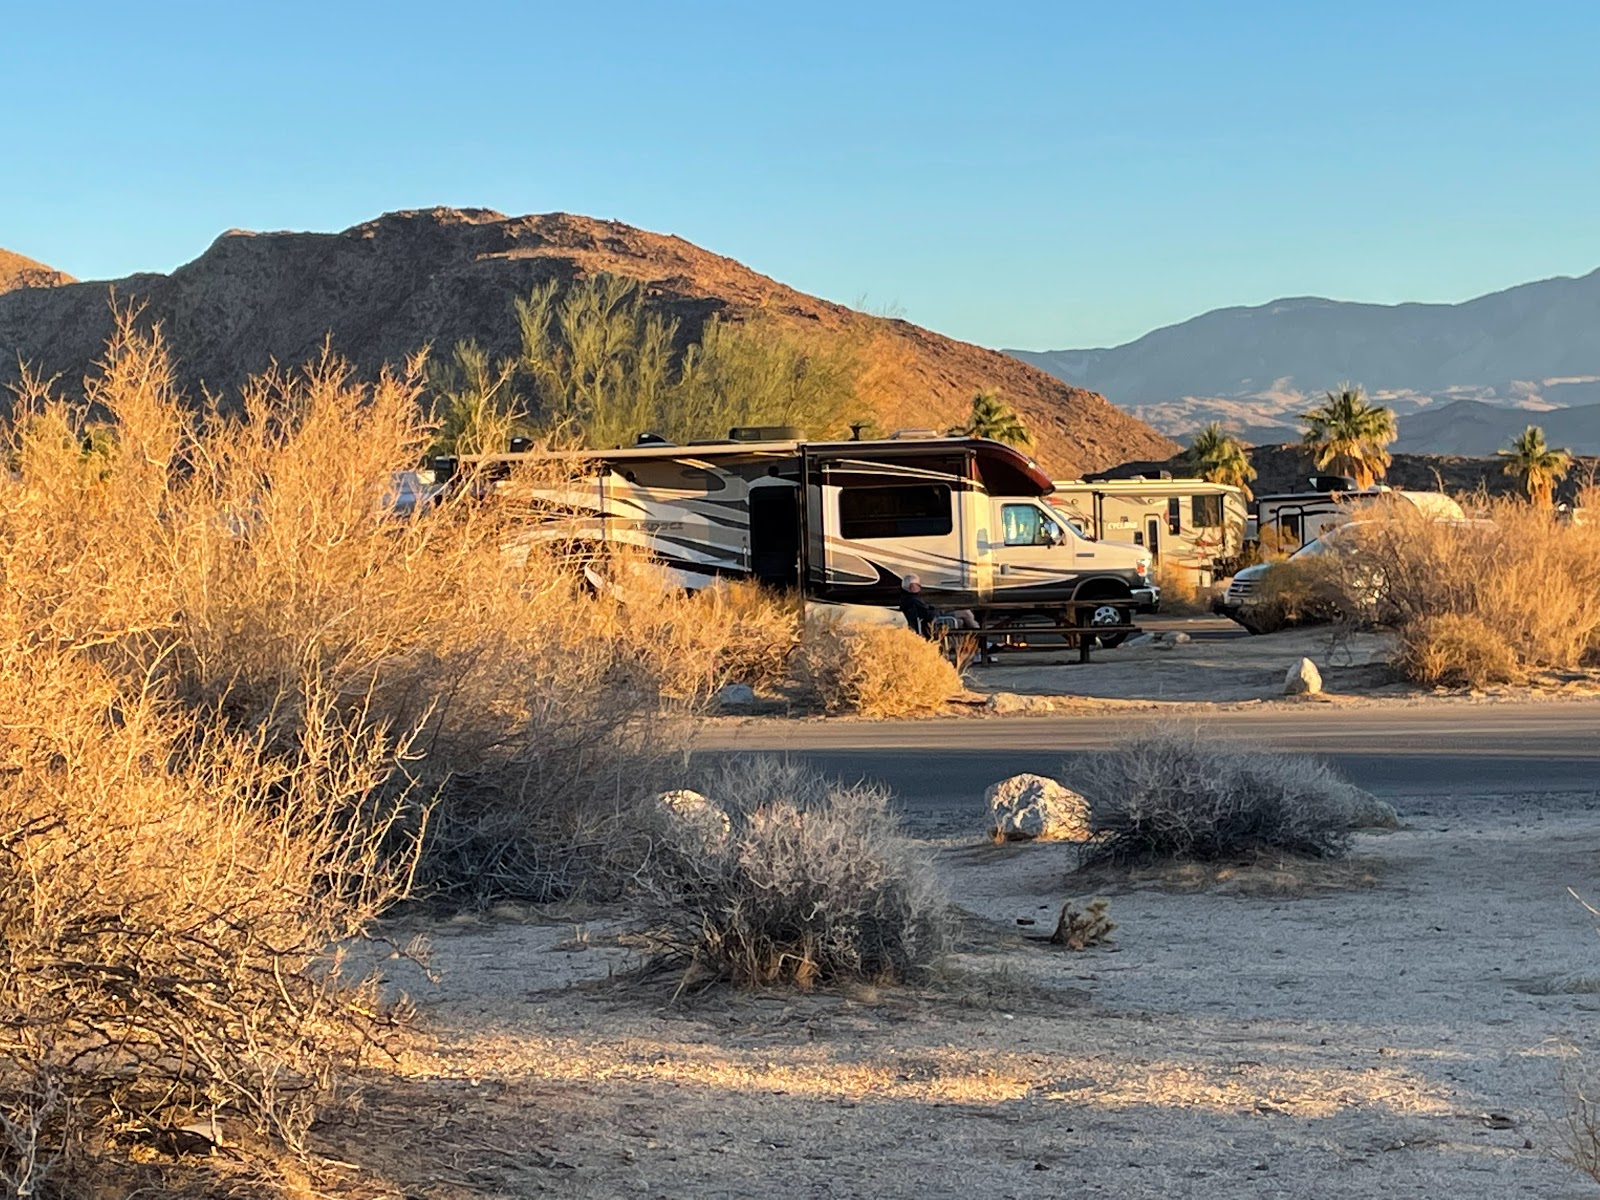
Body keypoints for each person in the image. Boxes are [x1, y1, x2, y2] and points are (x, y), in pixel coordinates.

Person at [898, 574, 992, 659]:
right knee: (966, 613)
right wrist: (941, 611)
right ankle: (983, 641)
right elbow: (929, 614)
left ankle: (977, 648)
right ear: (912, 586)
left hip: (928, 622)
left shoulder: (907, 599)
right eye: (918, 585)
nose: (920, 587)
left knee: (961, 621)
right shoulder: (913, 600)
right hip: (932, 622)